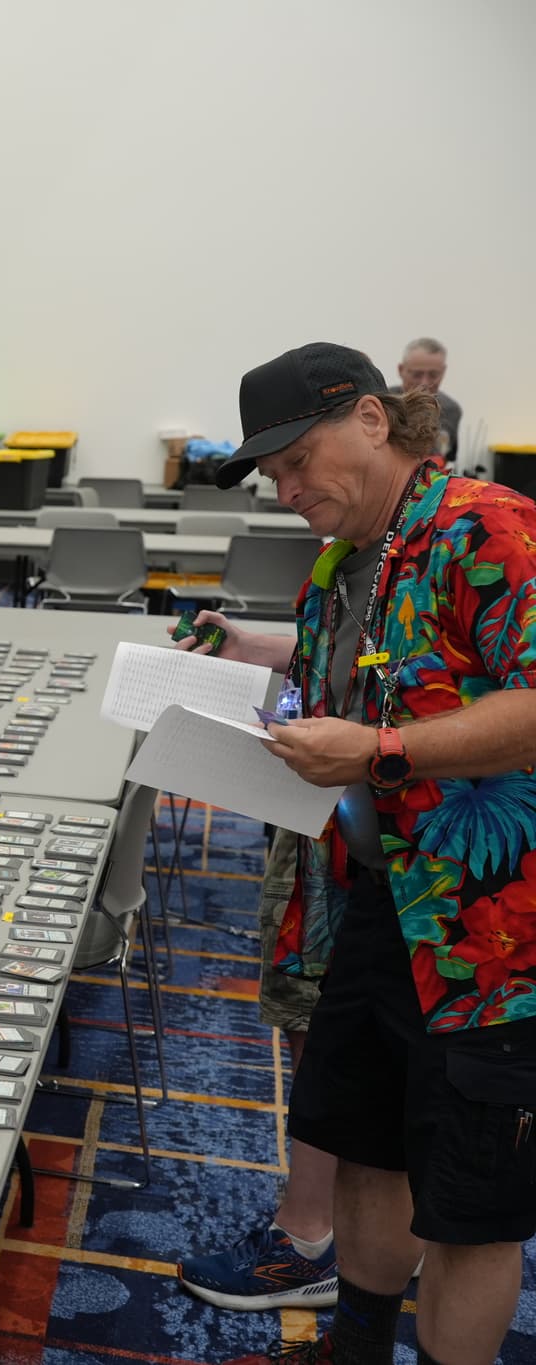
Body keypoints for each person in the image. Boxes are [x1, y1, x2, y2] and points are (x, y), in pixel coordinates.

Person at [183, 342, 536, 1365]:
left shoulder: (488, 526)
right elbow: (402, 664)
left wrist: (380, 751)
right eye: (272, 475)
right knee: (365, 1152)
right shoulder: (362, 553)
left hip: (489, 940)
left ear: (374, 422)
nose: (286, 489)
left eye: (299, 460)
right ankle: (354, 1348)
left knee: (468, 1213)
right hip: (374, 906)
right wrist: (269, 649)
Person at [178, 832, 345, 1313]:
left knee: (316, 1018)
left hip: (342, 822)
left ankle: (307, 1242)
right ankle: (387, 1230)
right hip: (417, 829)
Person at [394, 337, 462, 464]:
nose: (424, 383)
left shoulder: (451, 410)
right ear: (400, 370)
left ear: (443, 372)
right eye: (416, 374)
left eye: (433, 375)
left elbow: (449, 457)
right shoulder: (383, 404)